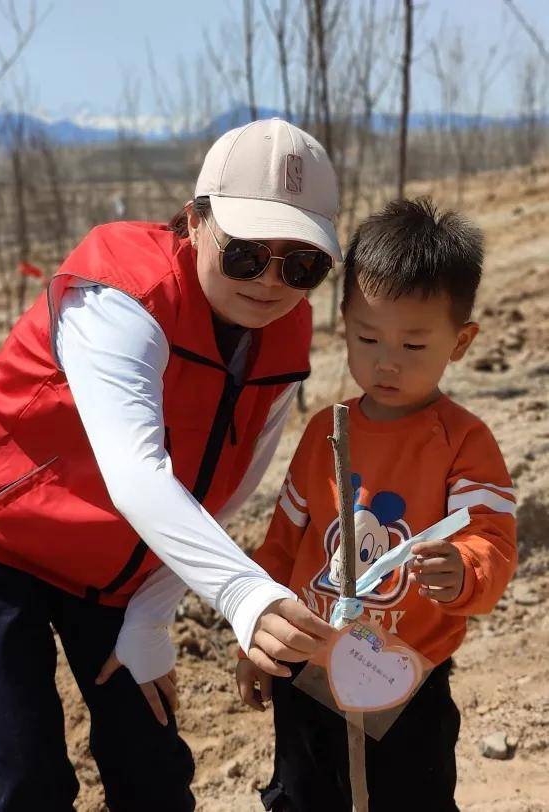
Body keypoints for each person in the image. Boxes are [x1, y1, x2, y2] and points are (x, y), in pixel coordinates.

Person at [0, 118, 341, 812]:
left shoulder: (284, 332)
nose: (272, 283)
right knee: (24, 780)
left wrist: (152, 616)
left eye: (302, 264)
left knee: (151, 768)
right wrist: (245, 595)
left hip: (124, 568)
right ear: (194, 220)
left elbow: (227, 486)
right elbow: (138, 473)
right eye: (245, 254)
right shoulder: (118, 295)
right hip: (5, 548)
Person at [236, 198, 518, 812]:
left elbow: (491, 539)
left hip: (405, 682)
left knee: (409, 799)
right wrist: (254, 629)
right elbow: (281, 544)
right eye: (368, 337)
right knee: (302, 795)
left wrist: (463, 571)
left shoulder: (463, 443)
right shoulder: (322, 434)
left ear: (461, 342)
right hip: (308, 668)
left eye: (414, 345)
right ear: (344, 325)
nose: (386, 361)